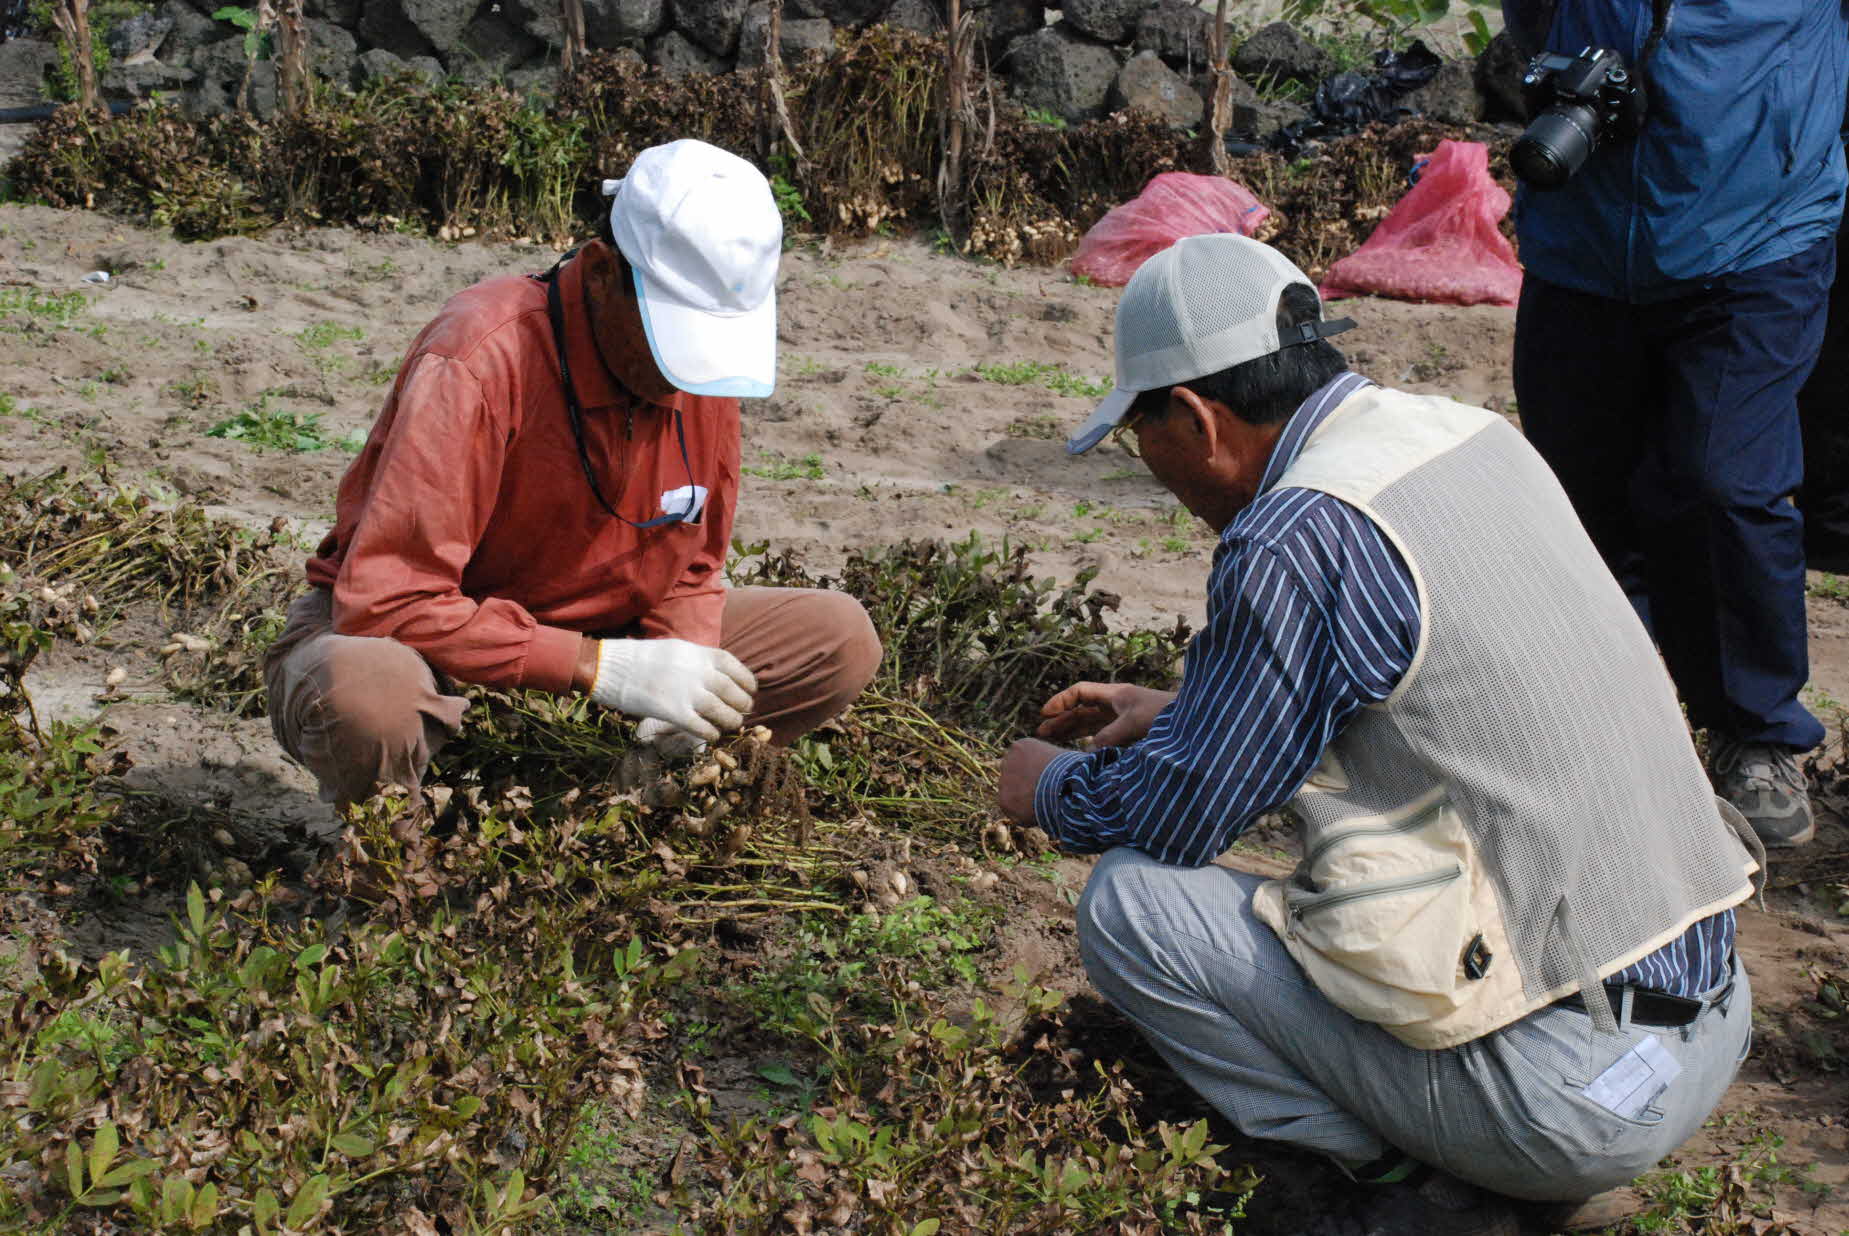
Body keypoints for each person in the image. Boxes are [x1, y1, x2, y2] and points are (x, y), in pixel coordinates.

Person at [997, 234, 1762, 1236]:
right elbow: (1455, 702)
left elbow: (1181, 816)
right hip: (1708, 1024)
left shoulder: (1294, 534)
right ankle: (1511, 1156)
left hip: (1568, 1099)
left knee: (1131, 906)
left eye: (1140, 432)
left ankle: (1421, 1189)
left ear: (1195, 417)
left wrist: (1046, 788)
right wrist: (1180, 712)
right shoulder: (1467, 436)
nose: (1149, 465)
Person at [264, 138, 880, 809]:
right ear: (599, 272)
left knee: (836, 640)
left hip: (609, 634)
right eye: (672, 334)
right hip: (426, 646)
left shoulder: (699, 376)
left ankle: (611, 802)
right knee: (367, 694)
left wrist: (680, 683)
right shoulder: (481, 354)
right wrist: (594, 666)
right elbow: (388, 603)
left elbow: (690, 571)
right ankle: (398, 840)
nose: (681, 373)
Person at [1507, 0, 1849, 847]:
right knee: (1577, 493)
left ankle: (1753, 734)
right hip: (1580, 240)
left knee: (1721, 481)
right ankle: (1611, 724)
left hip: (1760, 236)